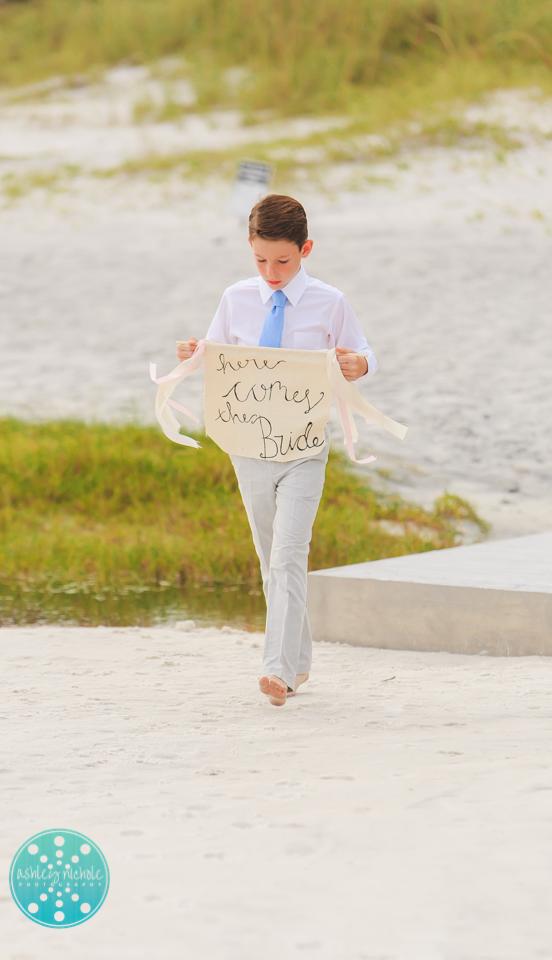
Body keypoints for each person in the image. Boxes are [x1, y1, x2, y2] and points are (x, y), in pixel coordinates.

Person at [177, 194, 377, 706]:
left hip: (305, 447)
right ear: (250, 248)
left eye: (283, 261)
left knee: (290, 553)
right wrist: (193, 353)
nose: (271, 271)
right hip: (247, 448)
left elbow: (363, 349)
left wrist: (360, 365)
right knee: (272, 560)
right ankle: (301, 660)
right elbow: (217, 350)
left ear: (305, 249)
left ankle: (278, 670)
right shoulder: (236, 297)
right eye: (261, 259)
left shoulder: (329, 302)